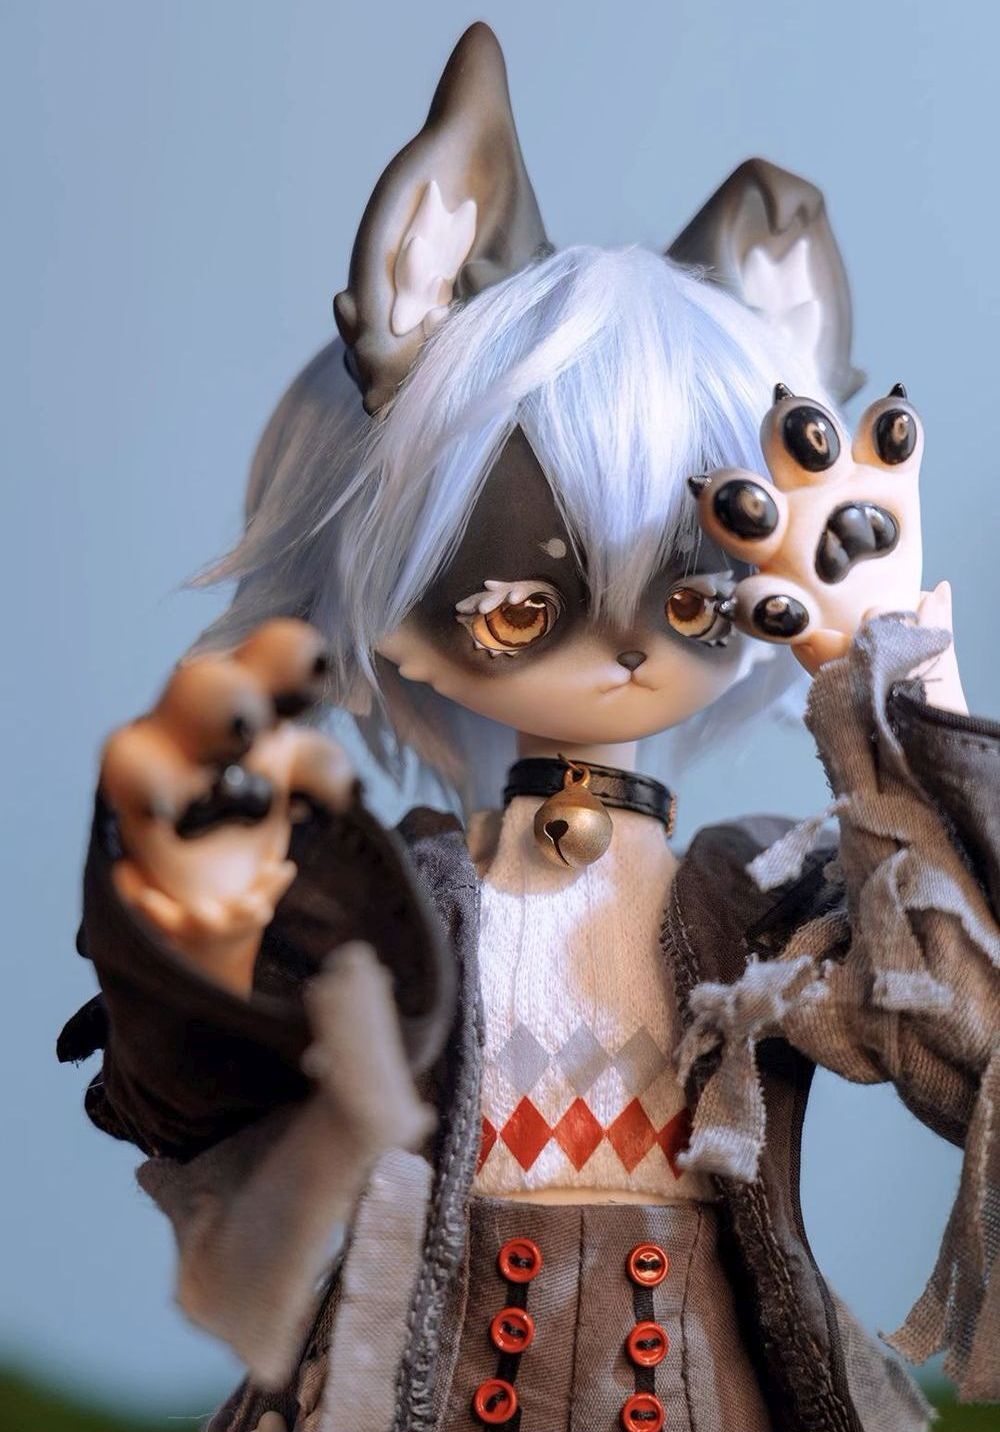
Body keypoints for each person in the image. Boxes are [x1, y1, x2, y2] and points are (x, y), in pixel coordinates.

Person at [60, 23, 999, 1432]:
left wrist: (891, 679)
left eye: (696, 598)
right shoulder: (397, 903)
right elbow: (191, 1090)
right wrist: (177, 909)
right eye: (519, 606)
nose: (623, 650)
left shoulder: (756, 899)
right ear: (400, 608)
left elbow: (962, 1038)